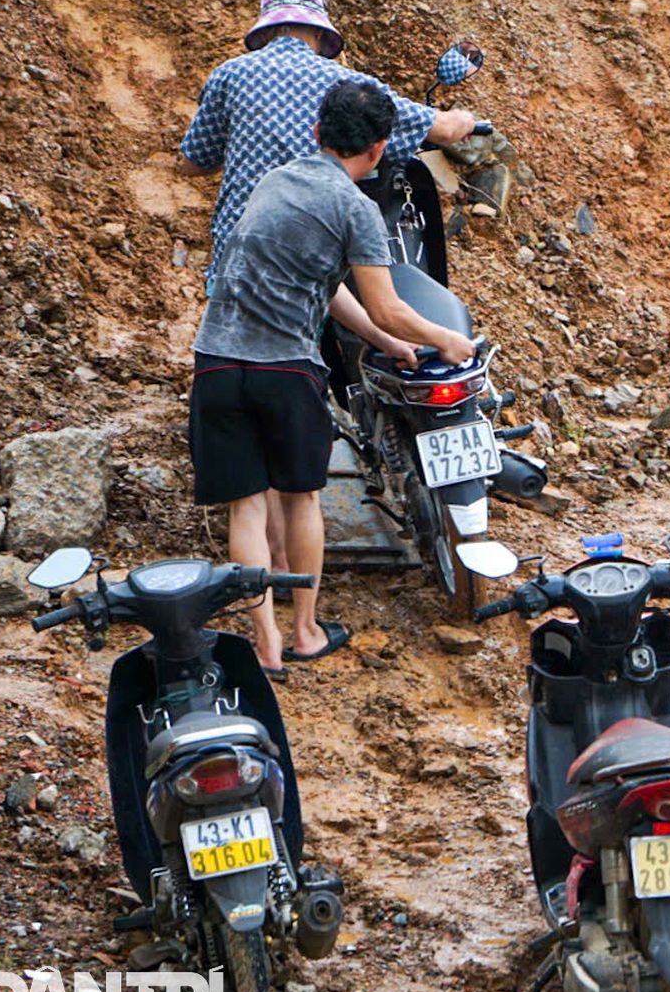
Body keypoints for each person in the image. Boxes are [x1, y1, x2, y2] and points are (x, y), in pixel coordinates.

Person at [174, 0, 476, 579]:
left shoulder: (230, 76)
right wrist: (465, 119)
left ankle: (269, 561)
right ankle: (304, 516)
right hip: (318, 256)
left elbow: (193, 158)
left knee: (248, 426)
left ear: (266, 28)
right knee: (305, 387)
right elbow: (437, 130)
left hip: (240, 264)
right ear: (319, 34)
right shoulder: (342, 92)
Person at [190, 81, 476, 677]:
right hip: (285, 371)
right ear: (378, 150)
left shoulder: (274, 182)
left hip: (216, 363)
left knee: (246, 507)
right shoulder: (356, 209)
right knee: (302, 501)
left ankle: (264, 641)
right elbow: (387, 305)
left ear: (317, 134)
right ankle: (305, 630)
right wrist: (446, 339)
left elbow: (330, 290)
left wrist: (389, 346)